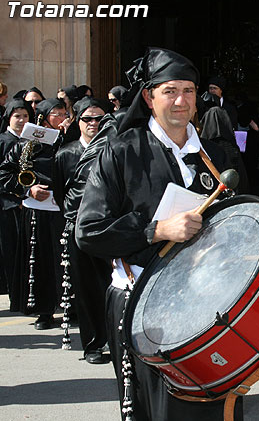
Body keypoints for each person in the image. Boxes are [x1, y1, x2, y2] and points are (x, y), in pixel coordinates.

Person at [75, 47, 240, 420]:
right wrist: (156, 230)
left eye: (189, 90)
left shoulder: (217, 156)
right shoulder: (120, 152)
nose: (181, 100)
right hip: (144, 309)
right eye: (170, 91)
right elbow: (89, 232)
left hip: (210, 304)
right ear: (149, 98)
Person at [52, 96, 112, 364]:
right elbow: (59, 192)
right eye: (87, 118)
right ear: (77, 121)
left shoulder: (114, 149)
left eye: (99, 118)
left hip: (111, 227)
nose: (93, 123)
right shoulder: (66, 154)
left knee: (116, 287)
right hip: (80, 229)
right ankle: (93, 344)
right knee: (88, 288)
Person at [0, 98, 67, 329]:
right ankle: (44, 311)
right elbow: (5, 174)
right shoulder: (24, 145)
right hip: (36, 211)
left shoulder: (69, 142)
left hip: (63, 211)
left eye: (63, 113)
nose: (61, 118)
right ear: (45, 117)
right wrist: (28, 190)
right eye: (55, 114)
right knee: (40, 262)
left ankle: (72, 307)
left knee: (66, 261)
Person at [0, 99, 34, 296]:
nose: (22, 120)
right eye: (17, 116)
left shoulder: (33, 142)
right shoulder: (3, 141)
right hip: (8, 206)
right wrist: (17, 196)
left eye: (25, 116)